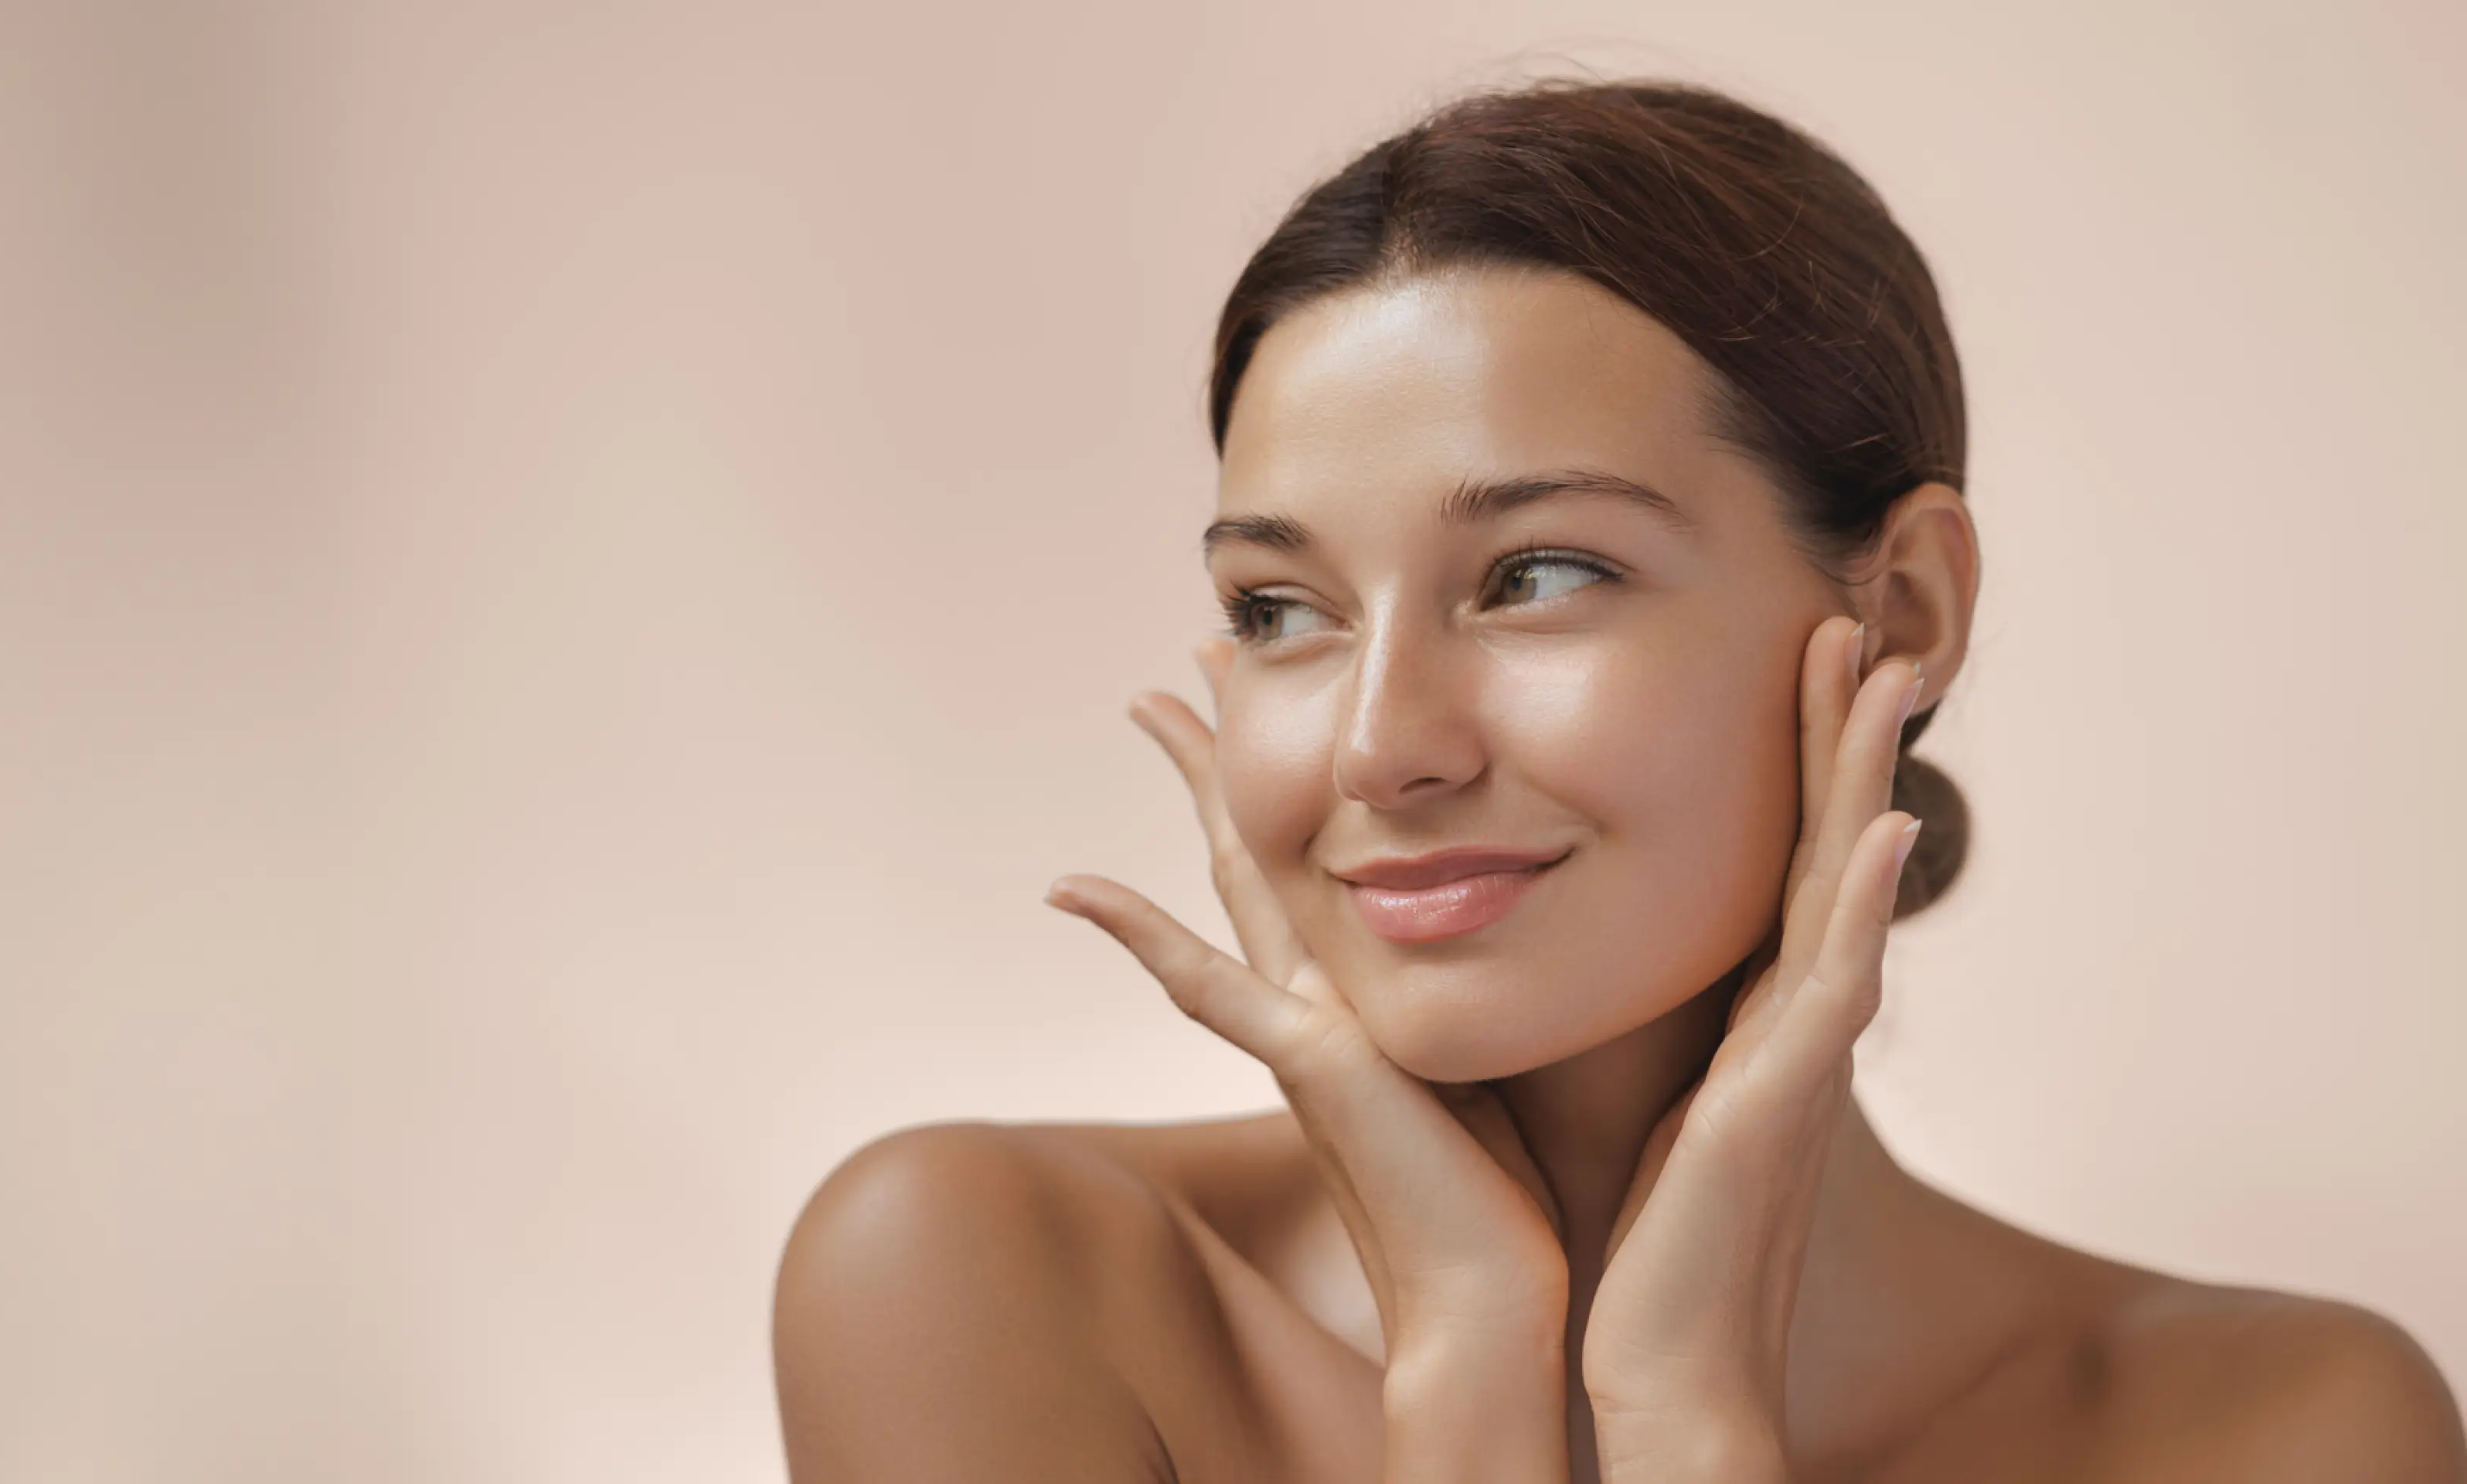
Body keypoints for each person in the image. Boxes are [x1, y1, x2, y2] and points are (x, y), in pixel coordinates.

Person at [767, 78, 2467, 1483]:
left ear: (1904, 612)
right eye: (1282, 610)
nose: (1378, 744)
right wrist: (1467, 1377)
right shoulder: (986, 1282)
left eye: (1538, 575)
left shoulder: (2276, 1431)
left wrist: (1688, 1423)